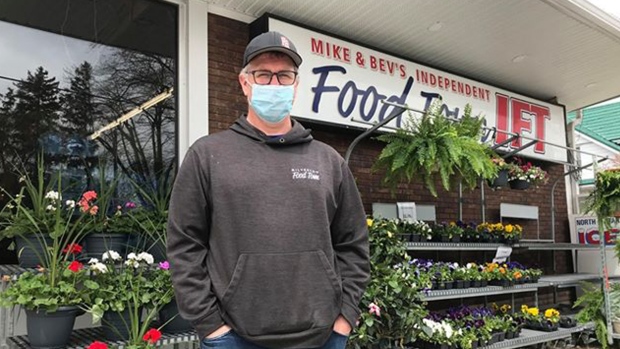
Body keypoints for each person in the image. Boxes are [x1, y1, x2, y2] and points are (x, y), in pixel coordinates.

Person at [167, 31, 370, 349]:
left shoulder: (328, 161)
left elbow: (353, 244)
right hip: (232, 338)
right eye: (264, 74)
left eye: (284, 75)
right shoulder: (207, 155)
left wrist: (345, 318)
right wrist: (210, 326)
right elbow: (185, 246)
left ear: (296, 85)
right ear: (245, 83)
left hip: (322, 336)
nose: (275, 85)